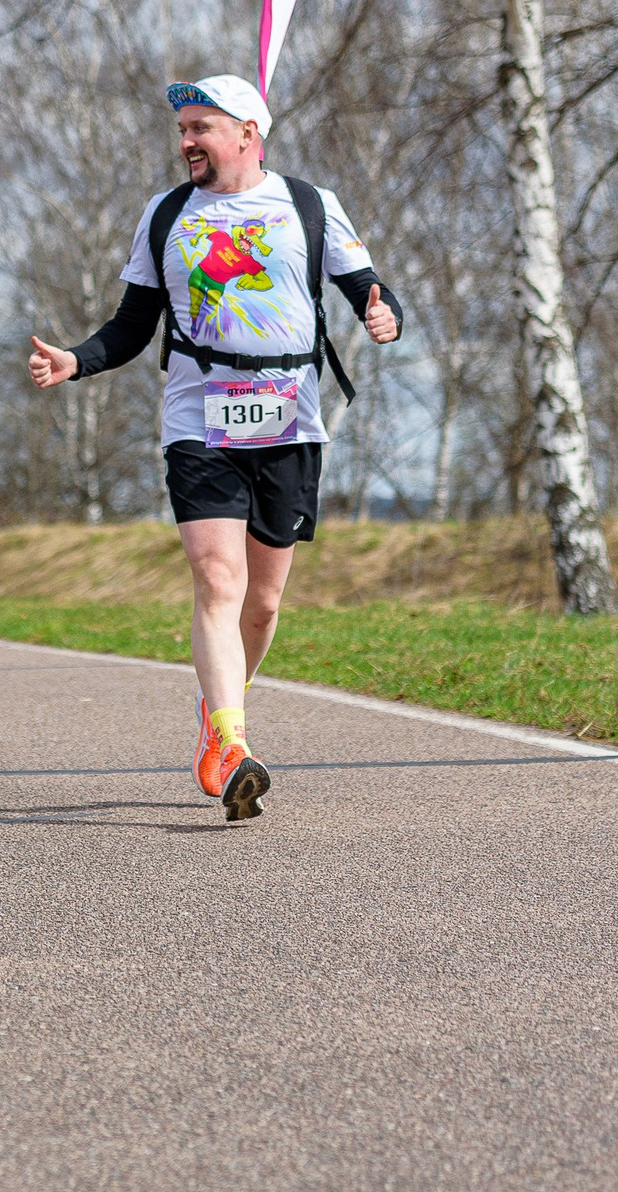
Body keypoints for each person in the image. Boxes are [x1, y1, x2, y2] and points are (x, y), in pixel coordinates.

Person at [27, 74, 402, 822]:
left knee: (261, 603)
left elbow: (367, 285)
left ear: (247, 134)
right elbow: (132, 323)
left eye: (201, 127)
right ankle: (232, 743)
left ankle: (215, 708)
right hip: (201, 416)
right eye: (183, 129)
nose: (188, 141)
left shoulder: (308, 205)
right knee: (217, 579)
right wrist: (78, 358)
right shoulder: (167, 214)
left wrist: (382, 309)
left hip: (290, 416)